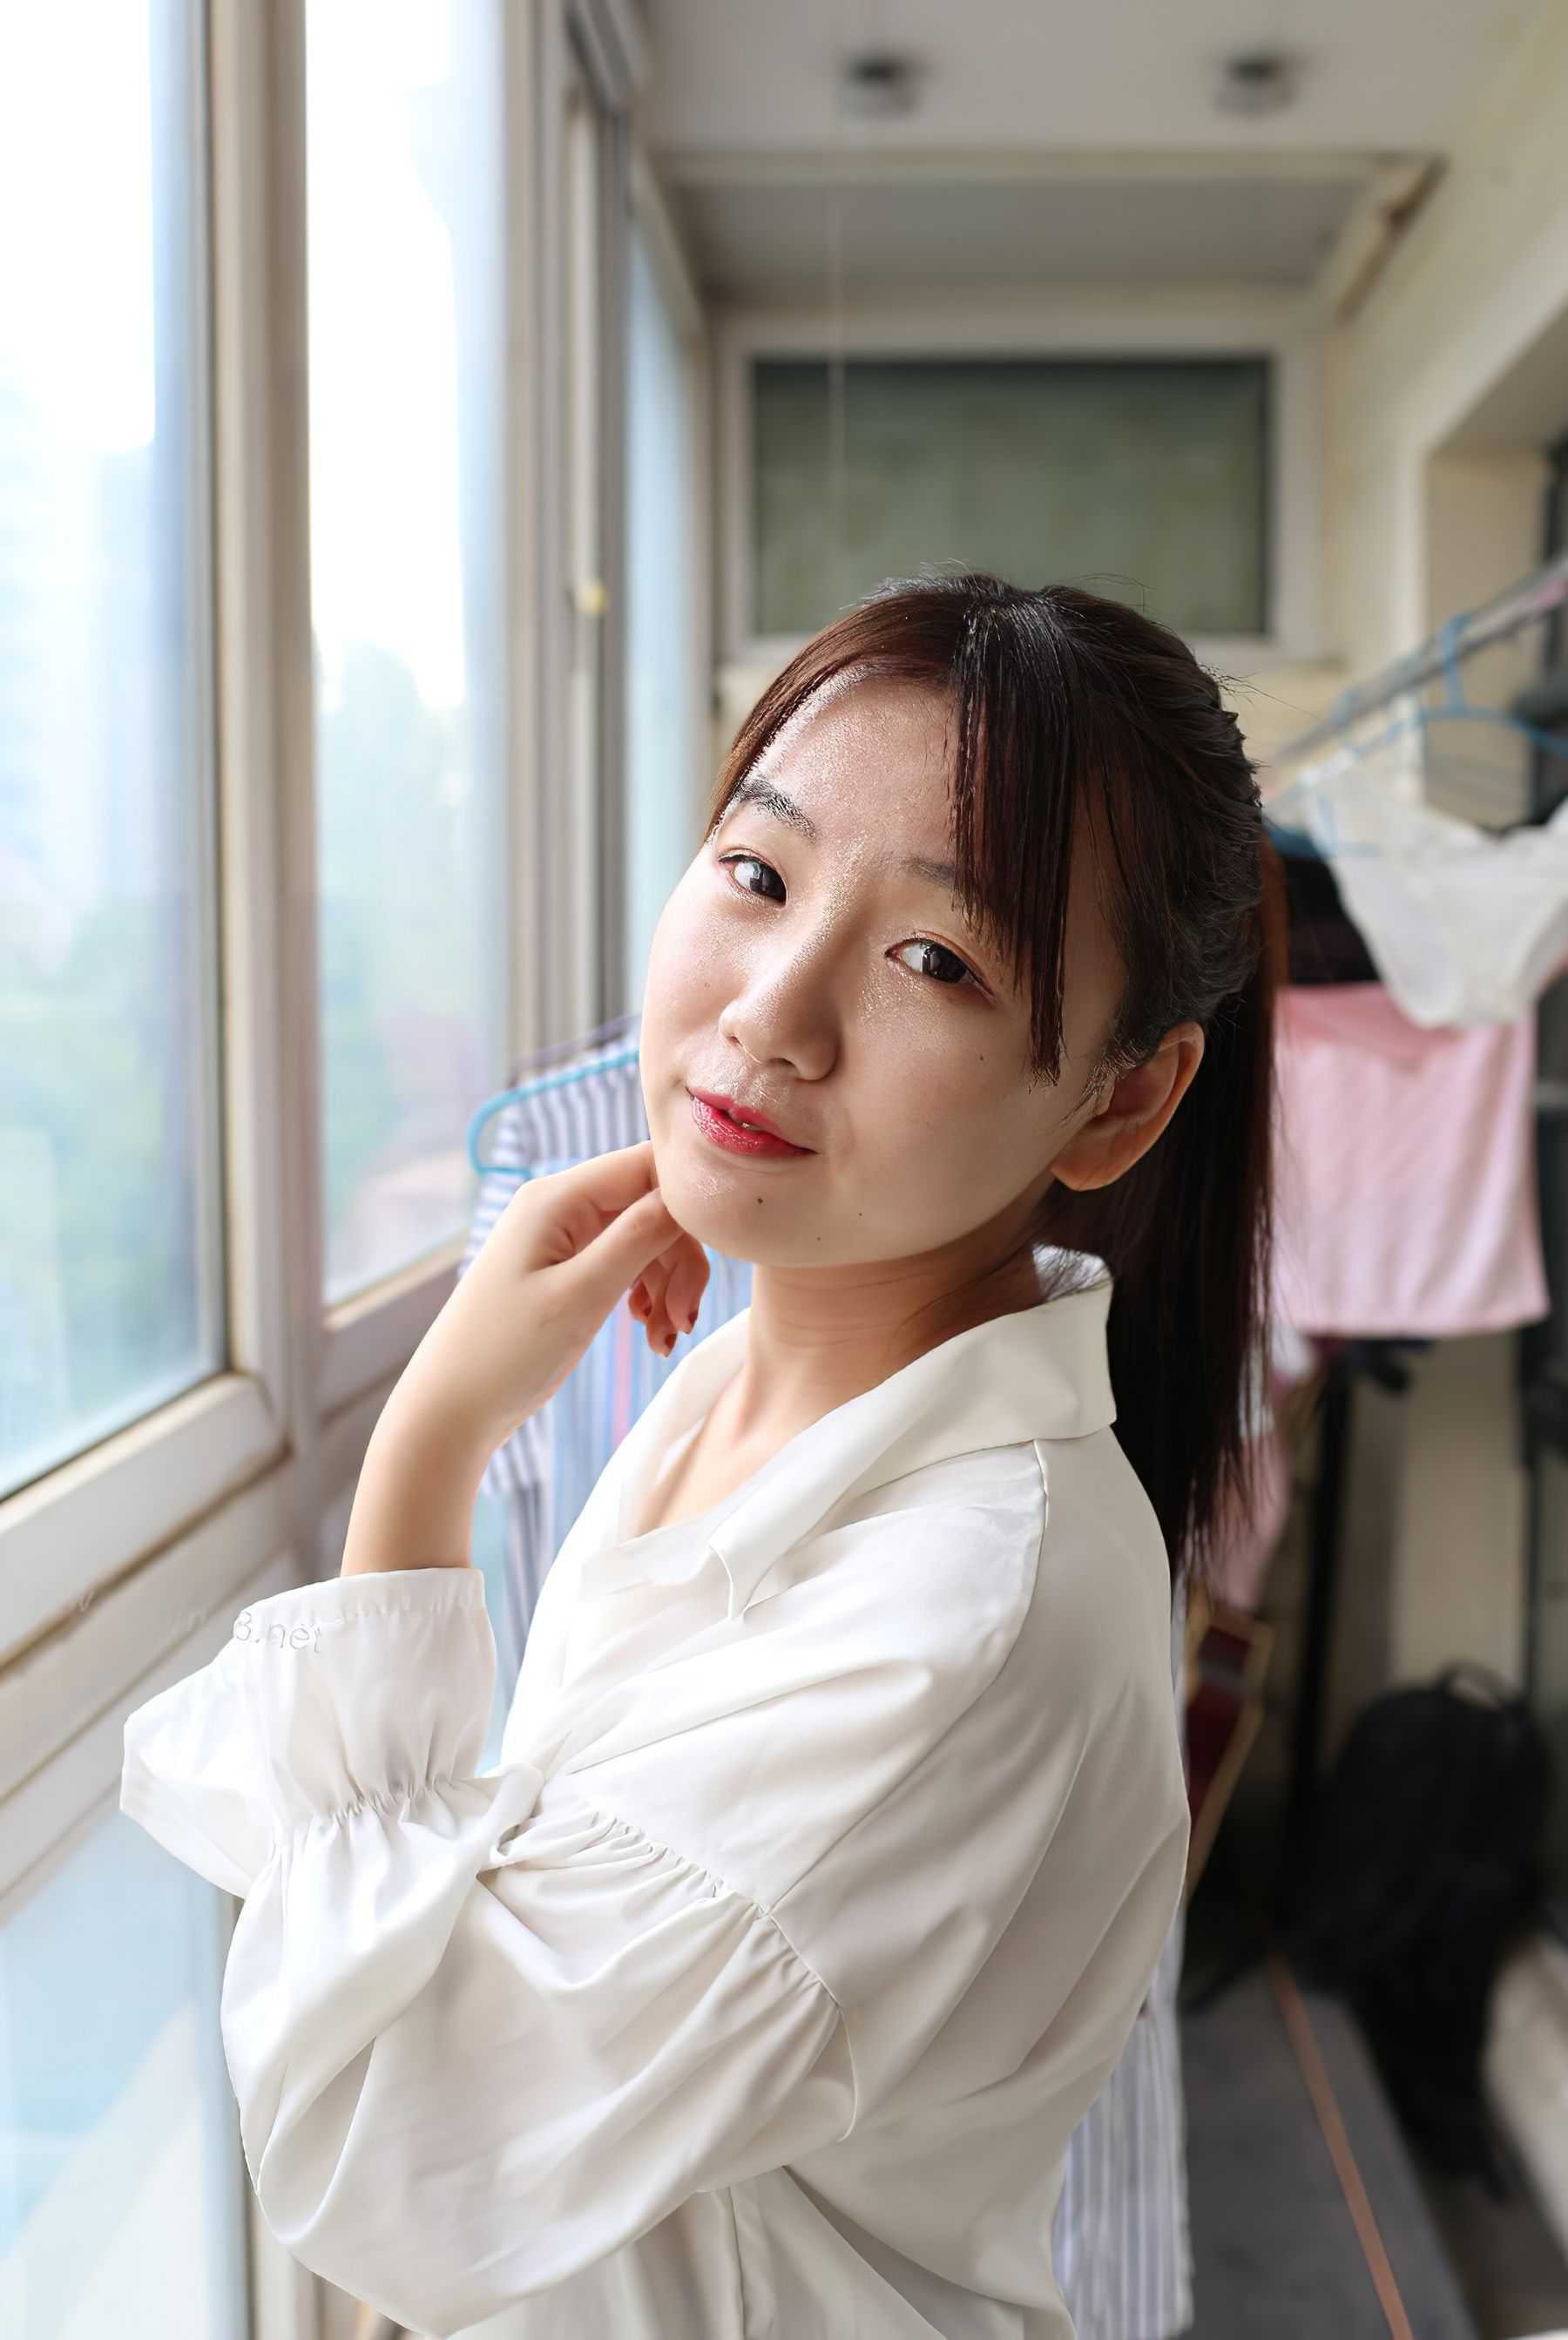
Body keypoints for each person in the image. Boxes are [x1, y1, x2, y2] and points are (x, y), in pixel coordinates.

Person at [120, 573, 1280, 2339]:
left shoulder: (965, 1615)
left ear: (1120, 1099)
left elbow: (394, 2132)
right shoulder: (746, 1370)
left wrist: (430, 1434)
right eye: (758, 872)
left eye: (936, 960)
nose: (772, 1013)